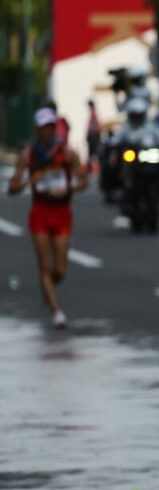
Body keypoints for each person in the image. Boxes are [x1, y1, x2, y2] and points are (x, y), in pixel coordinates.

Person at [6, 107, 89, 328]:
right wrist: (29, 182)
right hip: (40, 212)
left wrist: (69, 187)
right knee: (44, 264)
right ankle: (56, 311)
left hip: (62, 212)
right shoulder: (28, 155)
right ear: (37, 129)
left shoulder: (67, 153)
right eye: (44, 127)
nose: (48, 131)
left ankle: (48, 289)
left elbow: (83, 180)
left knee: (60, 269)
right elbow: (12, 187)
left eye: (51, 126)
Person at [86, 100, 102, 173]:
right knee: (93, 152)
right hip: (93, 135)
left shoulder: (94, 113)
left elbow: (95, 126)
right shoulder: (93, 113)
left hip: (93, 135)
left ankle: (93, 169)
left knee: (93, 152)